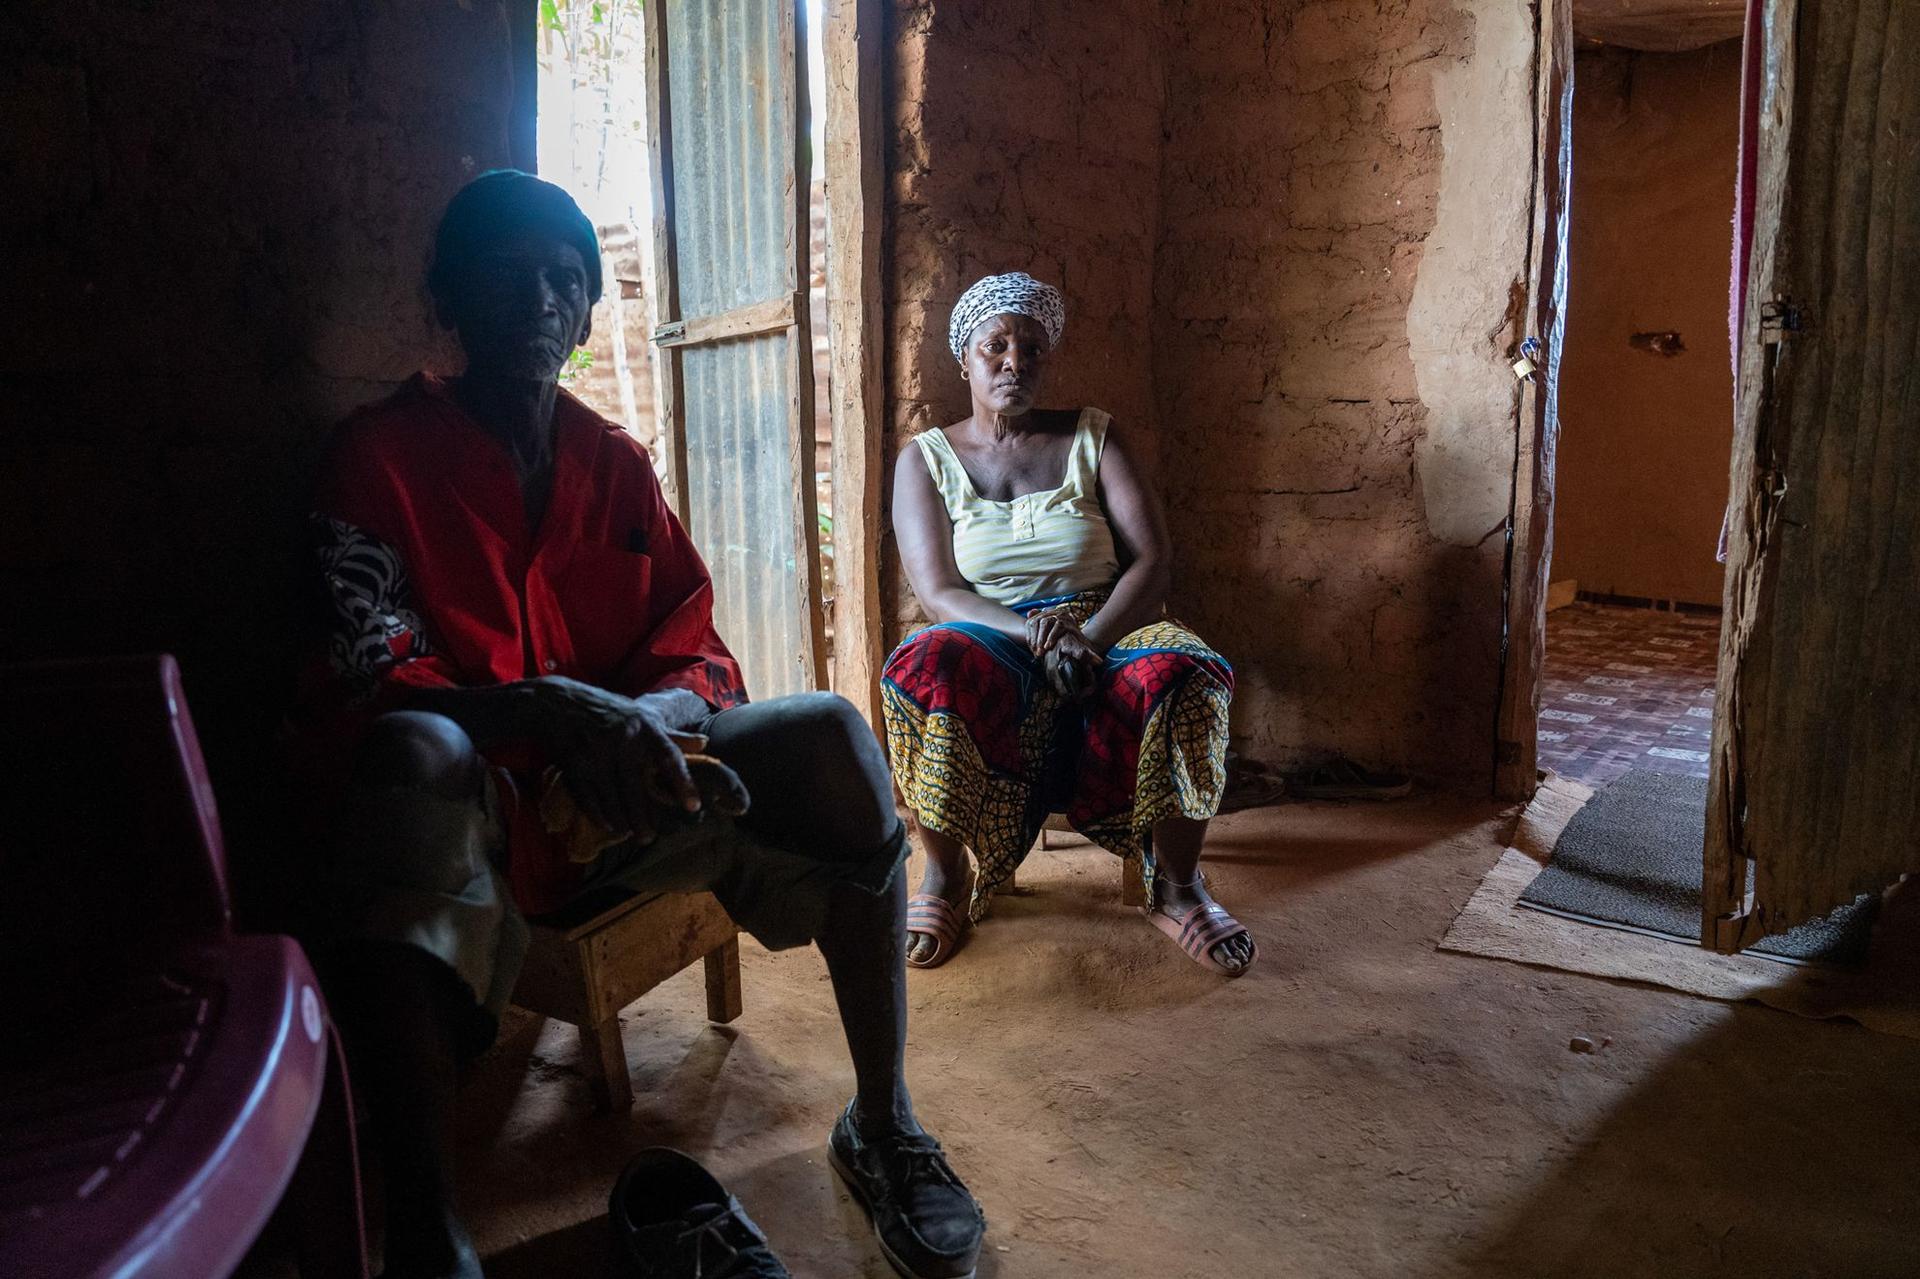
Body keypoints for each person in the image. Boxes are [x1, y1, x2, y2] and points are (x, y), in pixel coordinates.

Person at [289, 170, 983, 1279]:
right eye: (507, 277)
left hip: (627, 805)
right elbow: (363, 688)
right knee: (417, 754)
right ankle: (425, 1226)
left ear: (586, 312)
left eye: (566, 279)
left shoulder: (611, 466)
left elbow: (695, 641)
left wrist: (643, 719)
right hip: (472, 835)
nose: (541, 301)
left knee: (837, 739)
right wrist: (546, 713)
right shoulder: (376, 463)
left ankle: (884, 1122)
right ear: (447, 301)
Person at [884, 272, 1255, 977]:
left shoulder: (1094, 435)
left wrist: (1091, 636)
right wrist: (1032, 636)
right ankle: (943, 876)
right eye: (995, 346)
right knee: (923, 664)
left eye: (1030, 349)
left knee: (1185, 669)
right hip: (990, 631)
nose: (1013, 362)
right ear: (964, 357)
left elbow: (1152, 560)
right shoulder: (926, 459)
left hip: (1106, 622)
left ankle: (1179, 885)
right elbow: (937, 590)